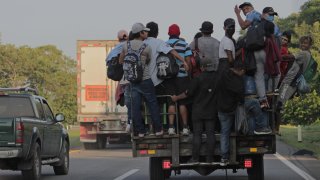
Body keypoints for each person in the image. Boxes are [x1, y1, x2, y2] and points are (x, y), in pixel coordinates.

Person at [119, 23, 163, 137]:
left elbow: (121, 61)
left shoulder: (126, 46)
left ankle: (141, 131)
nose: (147, 33)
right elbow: (148, 60)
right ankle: (158, 129)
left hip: (132, 81)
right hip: (145, 79)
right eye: (145, 31)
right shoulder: (146, 47)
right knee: (152, 104)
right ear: (140, 33)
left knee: (135, 107)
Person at [171, 58, 219, 164]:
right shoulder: (217, 78)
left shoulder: (198, 78)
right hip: (211, 111)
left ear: (202, 67)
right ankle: (209, 159)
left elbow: (188, 93)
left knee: (197, 134)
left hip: (198, 111)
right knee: (210, 134)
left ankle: (195, 158)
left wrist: (177, 98)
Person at [165, 24, 192, 136]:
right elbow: (188, 62)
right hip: (182, 77)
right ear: (179, 33)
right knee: (182, 103)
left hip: (169, 77)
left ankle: (171, 128)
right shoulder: (185, 44)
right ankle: (185, 128)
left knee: (171, 102)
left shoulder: (164, 44)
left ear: (168, 34)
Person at [217, 62, 245, 166]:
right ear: (241, 70)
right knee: (239, 127)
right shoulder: (238, 81)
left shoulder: (223, 74)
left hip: (221, 108)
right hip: (233, 109)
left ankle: (224, 157)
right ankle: (236, 150)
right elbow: (241, 97)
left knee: (224, 132)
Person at [278, 36, 313, 109]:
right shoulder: (309, 54)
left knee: (280, 101)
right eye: (302, 43)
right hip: (294, 81)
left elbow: (289, 57)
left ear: (310, 45)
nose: (303, 44)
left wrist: (276, 56)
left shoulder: (304, 53)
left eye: (305, 43)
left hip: (290, 80)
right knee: (281, 101)